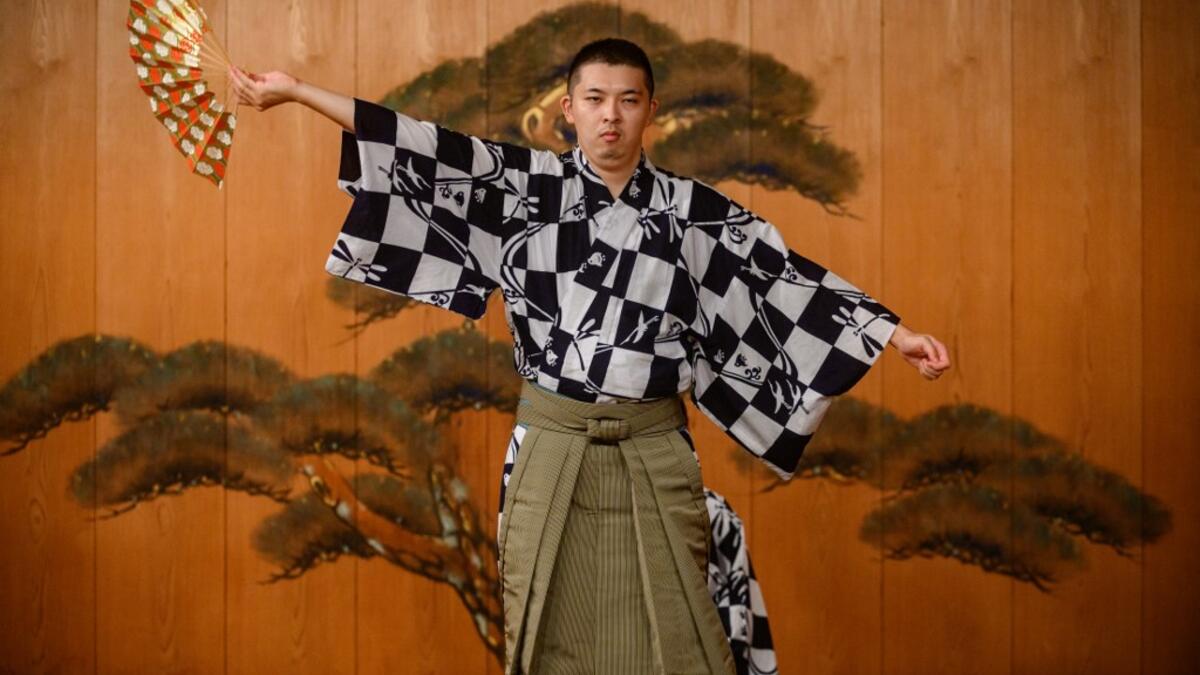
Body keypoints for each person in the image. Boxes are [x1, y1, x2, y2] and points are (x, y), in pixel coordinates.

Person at [230, 37, 949, 675]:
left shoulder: (694, 212)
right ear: (568, 109)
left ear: (650, 111)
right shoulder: (525, 189)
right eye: (595, 100)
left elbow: (783, 277)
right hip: (550, 444)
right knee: (545, 626)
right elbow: (421, 145)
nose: (611, 116)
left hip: (655, 448)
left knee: (680, 626)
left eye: (627, 101)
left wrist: (891, 333)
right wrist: (296, 92)